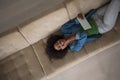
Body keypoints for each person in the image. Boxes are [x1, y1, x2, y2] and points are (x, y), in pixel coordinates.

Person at [46, 0, 120, 59]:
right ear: (62, 50)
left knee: (116, 3)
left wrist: (79, 18)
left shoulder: (64, 28)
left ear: (56, 40)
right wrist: (68, 40)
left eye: (57, 43)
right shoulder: (74, 47)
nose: (59, 44)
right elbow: (83, 34)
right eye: (59, 47)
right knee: (116, 3)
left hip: (94, 16)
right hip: (102, 26)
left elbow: (77, 19)